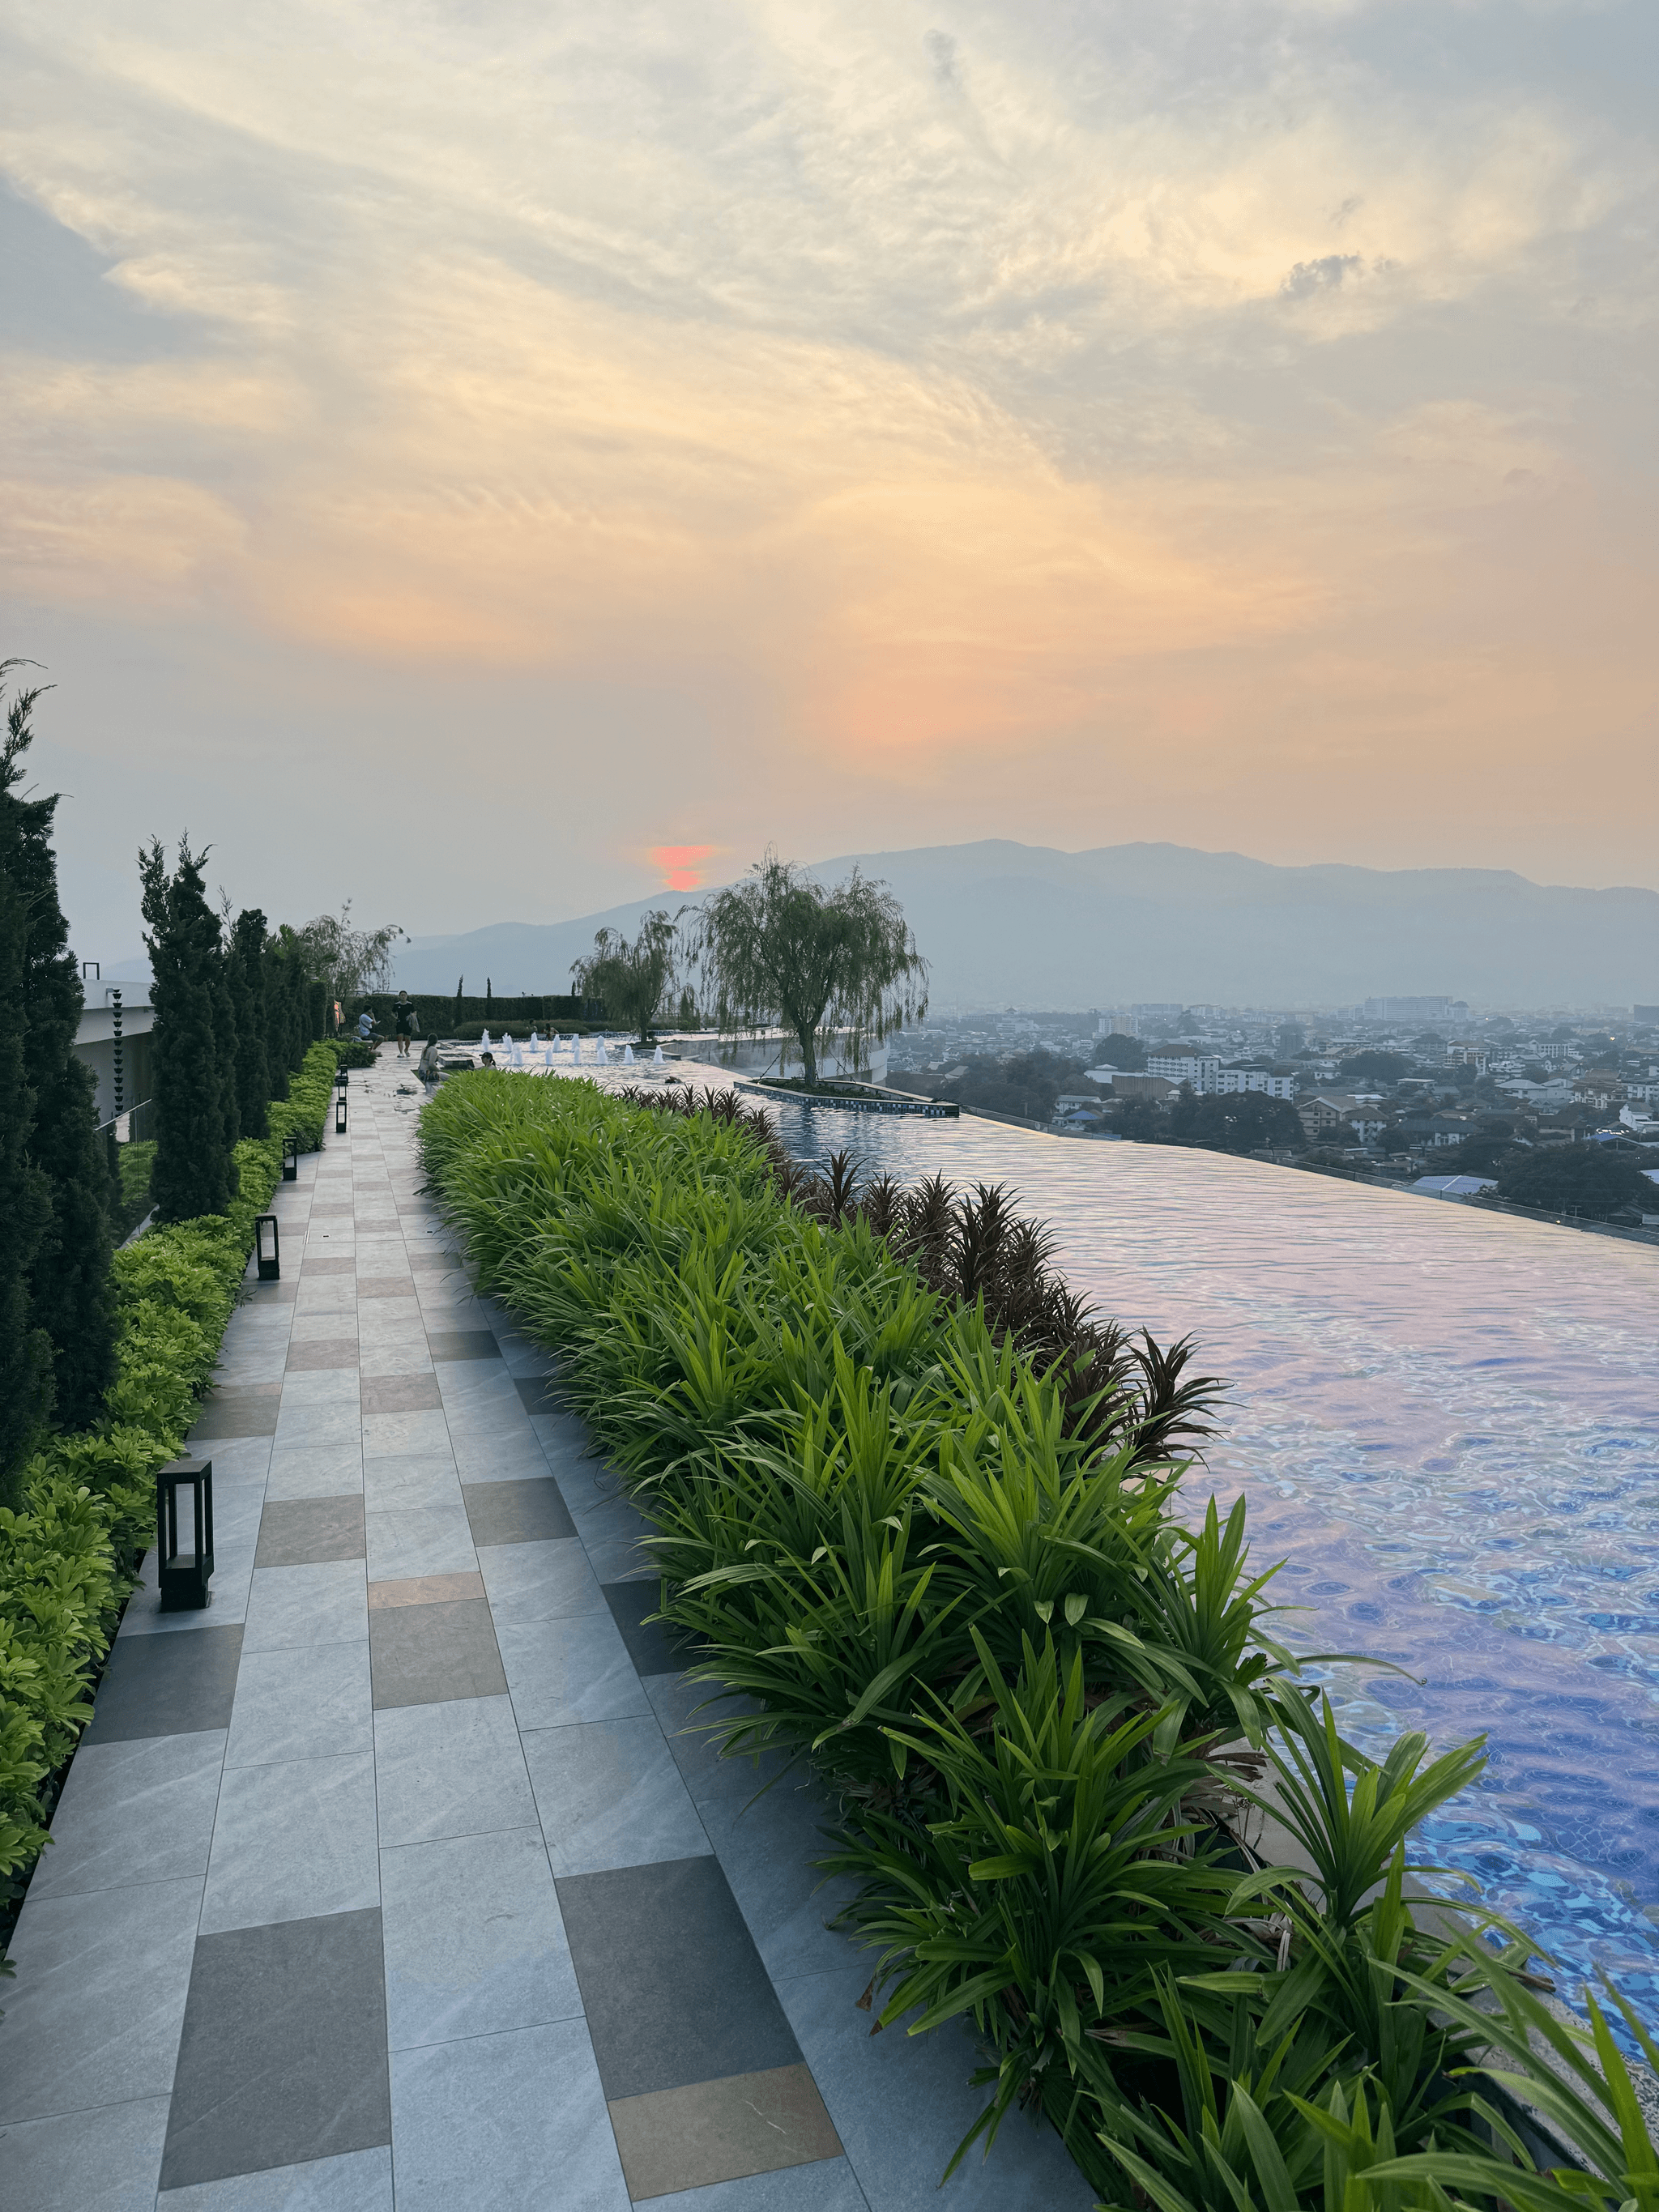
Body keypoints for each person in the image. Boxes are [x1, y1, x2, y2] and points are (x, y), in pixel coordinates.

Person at [394, 989, 416, 1058]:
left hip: (408, 1023)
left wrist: (412, 1016)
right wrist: (395, 1017)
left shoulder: (410, 1004)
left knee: (408, 1039)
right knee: (400, 1037)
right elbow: (393, 1012)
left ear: (407, 996)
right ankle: (401, 1052)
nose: (403, 997)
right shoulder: (397, 1005)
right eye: (402, 995)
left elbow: (414, 1012)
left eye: (404, 995)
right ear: (399, 996)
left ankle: (406, 1049)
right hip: (400, 1023)